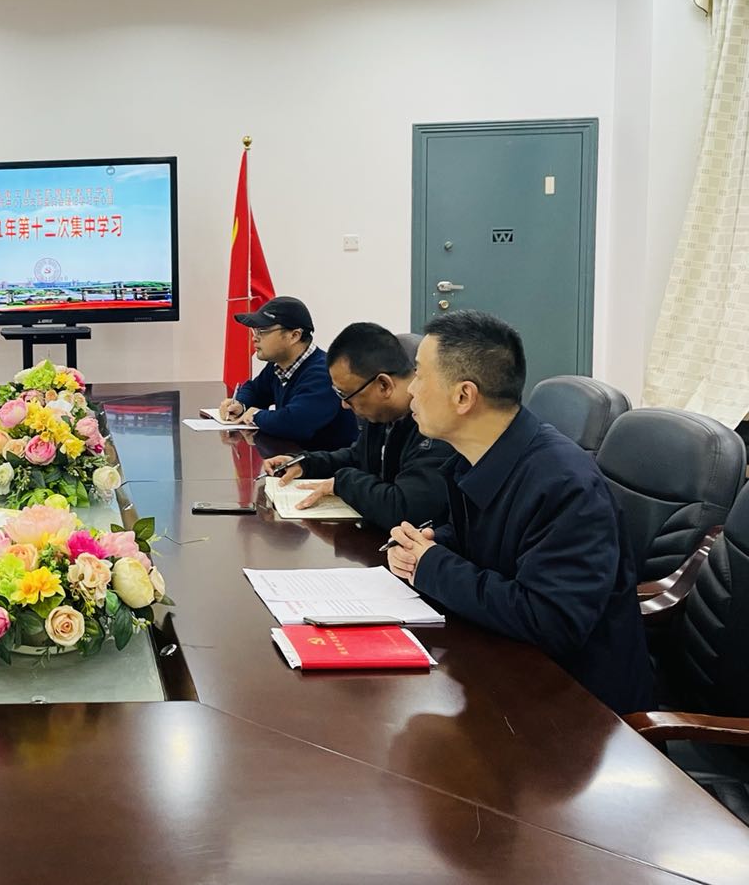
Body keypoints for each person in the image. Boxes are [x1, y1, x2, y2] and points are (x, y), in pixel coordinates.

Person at [385, 310, 653, 713]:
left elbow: (550, 620)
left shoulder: (565, 485)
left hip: (578, 709)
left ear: (464, 396)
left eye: (420, 375)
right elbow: (495, 544)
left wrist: (433, 565)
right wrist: (429, 545)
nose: (411, 390)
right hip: (509, 669)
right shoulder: (481, 457)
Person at [265, 322, 452, 530]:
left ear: (384, 385)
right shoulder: (383, 415)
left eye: (347, 395)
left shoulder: (435, 426)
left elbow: (406, 510)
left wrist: (343, 482)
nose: (344, 405)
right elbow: (358, 457)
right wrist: (307, 464)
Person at [218, 296, 357, 451]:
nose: (254, 338)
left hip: (327, 463)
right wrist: (240, 405)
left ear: (294, 335)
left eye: (263, 331)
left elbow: (295, 423)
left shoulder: (323, 373)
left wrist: (256, 416)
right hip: (295, 457)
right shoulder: (278, 364)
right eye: (255, 331)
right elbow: (255, 390)